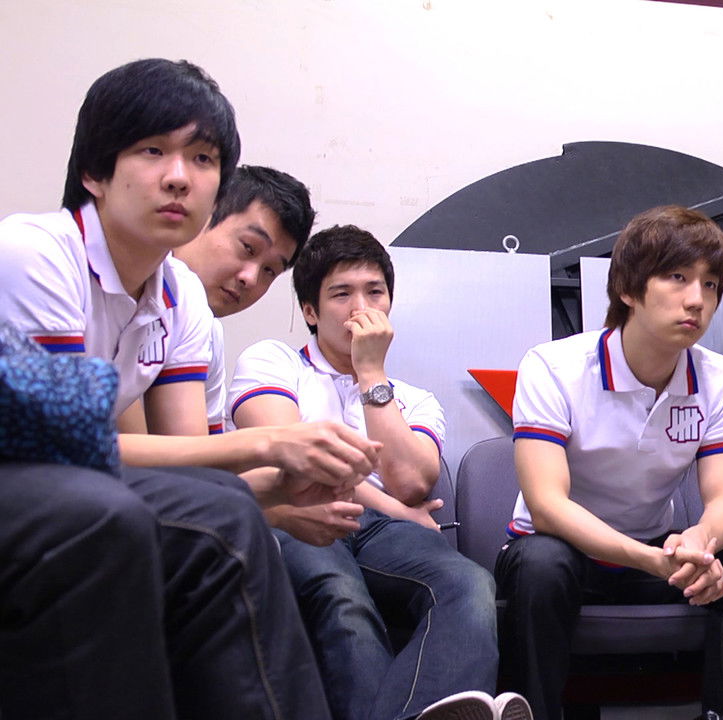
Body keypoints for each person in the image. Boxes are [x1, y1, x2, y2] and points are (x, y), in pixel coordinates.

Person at [0, 58, 363, 720]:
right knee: (130, 514)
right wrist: (273, 444)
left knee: (222, 508)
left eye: (202, 158)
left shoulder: (178, 296)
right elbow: (67, 450)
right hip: (25, 471)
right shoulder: (38, 253)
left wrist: (280, 485)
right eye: (152, 151)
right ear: (95, 171)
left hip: (69, 476)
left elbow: (188, 463)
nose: (179, 176)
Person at [495, 205, 723, 720]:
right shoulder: (555, 367)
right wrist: (651, 560)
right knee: (543, 566)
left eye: (710, 284)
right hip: (560, 551)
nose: (697, 300)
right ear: (628, 289)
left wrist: (699, 543)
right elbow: (546, 506)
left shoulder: (719, 378)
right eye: (677, 278)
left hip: (655, 550)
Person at [228, 225, 502, 720]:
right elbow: (296, 464)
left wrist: (371, 375)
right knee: (342, 599)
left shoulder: (414, 400)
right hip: (298, 515)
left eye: (375, 292)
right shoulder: (272, 362)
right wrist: (396, 508)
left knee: (470, 584)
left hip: (384, 533)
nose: (361, 308)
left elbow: (412, 482)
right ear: (310, 311)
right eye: (341, 294)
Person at [117, 163, 317, 436]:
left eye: (270, 270)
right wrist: (272, 442)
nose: (250, 278)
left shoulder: (208, 332)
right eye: (248, 247)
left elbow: (194, 451)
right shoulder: (121, 282)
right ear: (204, 214)